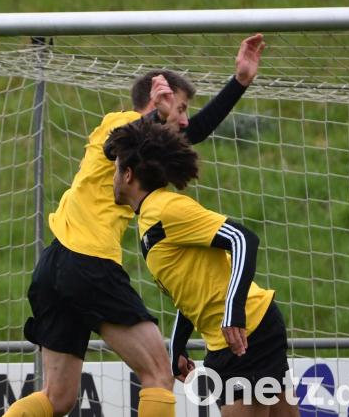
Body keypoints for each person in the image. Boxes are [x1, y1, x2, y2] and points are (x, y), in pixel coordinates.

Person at [2, 34, 266, 417]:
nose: (184, 119)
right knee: (159, 374)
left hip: (54, 265)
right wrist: (155, 116)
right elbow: (120, 144)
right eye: (180, 108)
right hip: (88, 263)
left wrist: (239, 81)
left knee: (57, 398)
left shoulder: (138, 141)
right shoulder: (121, 125)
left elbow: (192, 132)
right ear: (155, 102)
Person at [104, 120, 298, 417]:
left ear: (128, 175)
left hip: (244, 334)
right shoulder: (149, 220)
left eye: (116, 170)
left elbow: (243, 239)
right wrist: (178, 345)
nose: (113, 178)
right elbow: (193, 288)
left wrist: (234, 311)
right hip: (242, 333)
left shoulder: (166, 210)